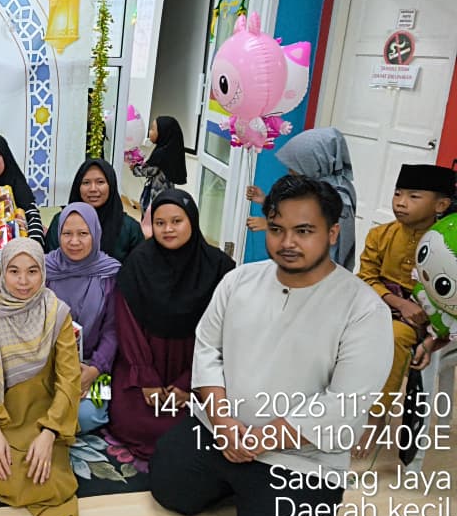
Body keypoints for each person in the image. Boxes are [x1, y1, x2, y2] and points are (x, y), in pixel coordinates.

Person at [149, 175, 392, 516]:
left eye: (304, 231)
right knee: (169, 489)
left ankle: (254, 492)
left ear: (333, 233)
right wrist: (223, 424)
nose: (287, 242)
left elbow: (345, 402)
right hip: (220, 432)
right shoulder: (239, 280)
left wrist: (260, 440)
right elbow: (207, 349)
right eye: (277, 229)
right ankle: (240, 487)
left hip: (300, 456)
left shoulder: (364, 310)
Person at [106, 190, 235, 460]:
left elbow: (226, 332)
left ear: (192, 221)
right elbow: (128, 325)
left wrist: (190, 383)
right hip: (146, 362)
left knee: (201, 423)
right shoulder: (138, 263)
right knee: (131, 421)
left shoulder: (219, 268)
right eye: (160, 223)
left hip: (196, 364)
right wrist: (146, 378)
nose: (168, 229)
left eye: (177, 221)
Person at [0, 238, 80, 516]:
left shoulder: (57, 313)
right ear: (2, 272)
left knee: (49, 482)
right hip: (2, 414)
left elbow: (69, 378)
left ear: (43, 272)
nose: (23, 281)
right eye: (14, 271)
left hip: (44, 414)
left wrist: (49, 433)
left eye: (32, 271)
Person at [354, 163, 455, 456]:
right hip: (381, 304)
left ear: (440, 205)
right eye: (398, 193)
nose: (400, 202)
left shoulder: (446, 242)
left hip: (429, 319)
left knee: (394, 336)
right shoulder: (380, 235)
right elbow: (366, 278)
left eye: (413, 196)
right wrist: (398, 302)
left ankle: (377, 417)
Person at [44, 204, 122, 433]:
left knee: (85, 416)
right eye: (67, 233)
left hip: (91, 364)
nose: (74, 241)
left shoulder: (110, 273)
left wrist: (95, 369)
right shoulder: (44, 269)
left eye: (83, 234)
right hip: (46, 364)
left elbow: (113, 330)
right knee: (35, 406)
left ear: (95, 234)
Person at [244, 127, 358, 271]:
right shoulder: (322, 186)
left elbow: (318, 239)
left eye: (295, 166)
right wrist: (264, 200)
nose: (290, 171)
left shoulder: (339, 199)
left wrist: (271, 226)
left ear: (315, 163)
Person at [44, 158, 144, 262]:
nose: (93, 189)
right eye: (86, 182)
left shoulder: (130, 228)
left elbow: (137, 268)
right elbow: (50, 263)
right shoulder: (61, 222)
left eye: (100, 182)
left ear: (111, 185)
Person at [132, 116, 187, 216]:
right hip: (168, 194)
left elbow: (148, 170)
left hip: (157, 195)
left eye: (153, 129)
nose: (150, 132)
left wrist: (134, 168)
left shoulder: (161, 154)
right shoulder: (170, 151)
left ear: (163, 132)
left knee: (152, 217)